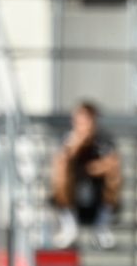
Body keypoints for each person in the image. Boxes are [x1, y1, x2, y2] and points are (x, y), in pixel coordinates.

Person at [51, 101, 121, 250]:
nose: (82, 124)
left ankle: (101, 227)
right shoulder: (68, 138)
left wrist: (87, 169)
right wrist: (78, 142)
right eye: (79, 120)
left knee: (114, 174)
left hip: (98, 195)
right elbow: (62, 161)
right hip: (72, 197)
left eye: (86, 120)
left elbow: (112, 162)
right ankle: (69, 226)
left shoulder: (103, 139)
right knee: (61, 172)